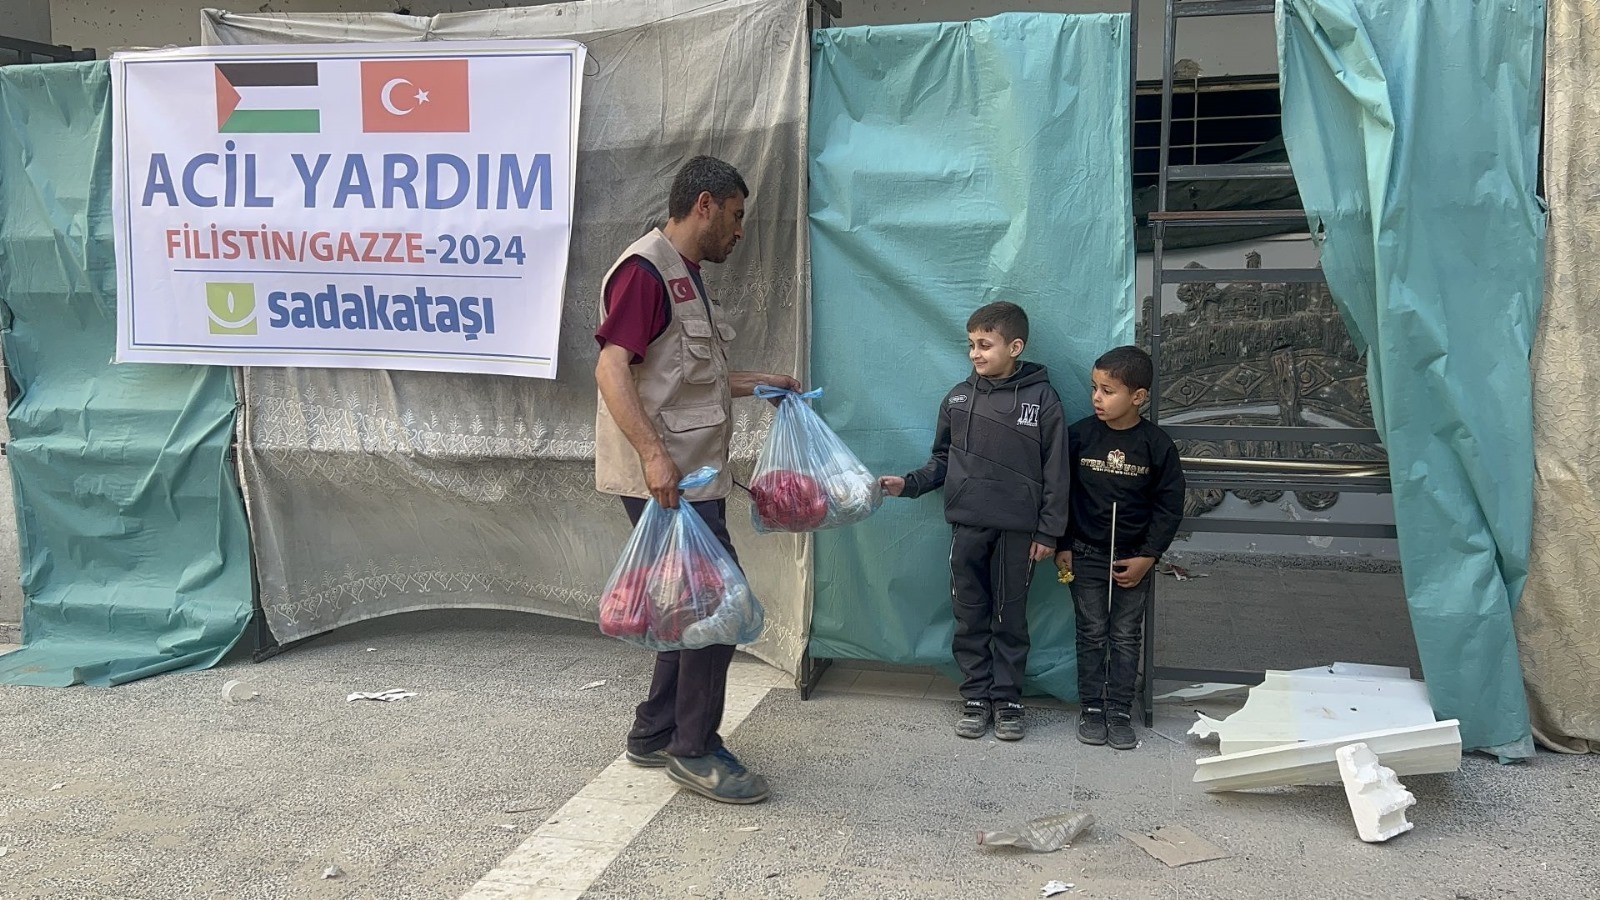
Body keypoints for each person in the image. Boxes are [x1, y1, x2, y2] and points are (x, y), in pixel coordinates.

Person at [593, 155, 799, 805]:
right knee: (716, 605)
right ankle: (695, 749)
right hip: (669, 479)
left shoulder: (686, 276)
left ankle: (655, 732)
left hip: (691, 475)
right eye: (737, 218)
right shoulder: (645, 272)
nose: (741, 232)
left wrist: (758, 382)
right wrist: (654, 456)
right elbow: (611, 369)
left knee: (690, 606)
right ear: (704, 205)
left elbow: (683, 377)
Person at [879, 302, 1070, 741]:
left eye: (985, 345)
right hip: (968, 525)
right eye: (971, 345)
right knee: (970, 613)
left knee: (1010, 616)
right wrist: (907, 484)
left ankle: (1007, 701)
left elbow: (1057, 471)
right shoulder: (959, 399)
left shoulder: (1043, 400)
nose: (975, 354)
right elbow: (942, 460)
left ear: (1015, 347)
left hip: (1019, 531)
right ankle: (976, 697)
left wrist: (1048, 530)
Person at [1056, 345, 1185, 751]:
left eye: (1108, 390)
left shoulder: (1157, 445)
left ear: (1139, 397)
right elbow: (1059, 493)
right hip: (1085, 553)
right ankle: (1092, 709)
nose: (1097, 397)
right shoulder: (1078, 437)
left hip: (1134, 559)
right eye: (1095, 388)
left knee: (1126, 636)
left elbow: (1169, 506)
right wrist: (1062, 544)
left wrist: (1149, 556)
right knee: (1091, 633)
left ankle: (1119, 711)